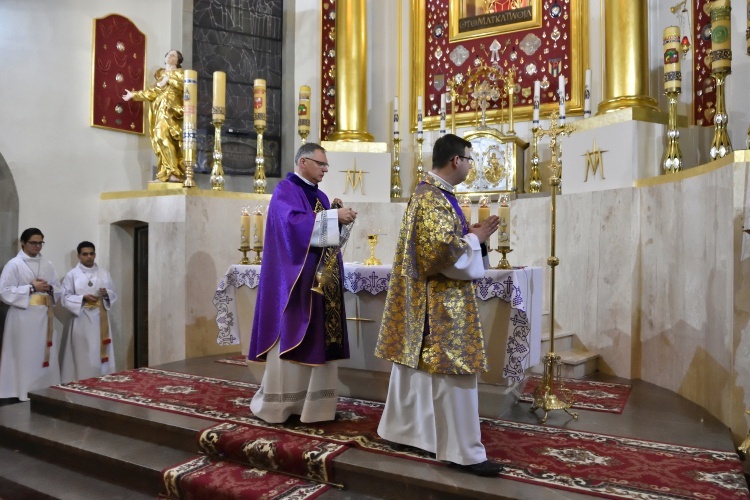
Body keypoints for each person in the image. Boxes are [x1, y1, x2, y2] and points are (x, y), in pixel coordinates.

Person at [374, 134, 503, 477]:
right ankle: (465, 453)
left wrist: (470, 235)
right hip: (440, 303)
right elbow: (439, 253)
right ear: (455, 161)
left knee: (415, 371)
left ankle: (405, 431)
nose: (471, 166)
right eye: (470, 160)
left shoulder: (434, 195)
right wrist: (475, 239)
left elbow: (441, 245)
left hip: (428, 300)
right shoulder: (432, 198)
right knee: (454, 372)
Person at [248, 142, 357, 424]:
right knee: (295, 337)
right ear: (303, 162)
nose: (325, 169)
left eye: (326, 165)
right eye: (321, 164)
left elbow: (326, 240)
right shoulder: (286, 190)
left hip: (319, 285)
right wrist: (333, 217)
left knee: (320, 342)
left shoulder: (319, 194)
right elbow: (293, 227)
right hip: (295, 285)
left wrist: (340, 223)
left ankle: (315, 408)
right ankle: (282, 405)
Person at [0, 228, 72, 401]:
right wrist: (31, 288)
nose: (38, 246)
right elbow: (4, 291)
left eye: (40, 243)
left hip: (44, 316)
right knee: (25, 354)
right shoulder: (14, 264)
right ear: (23, 243)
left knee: (43, 353)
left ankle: (44, 387)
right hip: (22, 316)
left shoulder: (47, 264)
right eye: (34, 242)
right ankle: (22, 390)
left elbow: (58, 288)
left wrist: (49, 288)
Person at [123, 49, 185, 183]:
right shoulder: (160, 76)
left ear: (178, 61)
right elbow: (152, 92)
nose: (170, 56)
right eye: (168, 54)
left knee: (164, 136)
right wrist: (133, 95)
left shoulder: (181, 73)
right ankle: (165, 172)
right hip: (159, 111)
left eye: (173, 55)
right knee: (158, 138)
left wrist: (170, 78)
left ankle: (174, 171)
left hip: (172, 111)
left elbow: (186, 87)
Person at [61, 241, 117, 380]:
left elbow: (114, 294)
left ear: (95, 254)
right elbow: (64, 297)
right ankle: (81, 379)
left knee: (99, 351)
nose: (89, 257)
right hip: (81, 318)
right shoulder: (72, 275)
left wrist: (106, 294)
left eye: (91, 253)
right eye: (85, 254)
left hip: (100, 318)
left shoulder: (104, 273)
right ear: (79, 256)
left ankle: (102, 379)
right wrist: (82, 298)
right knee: (82, 351)